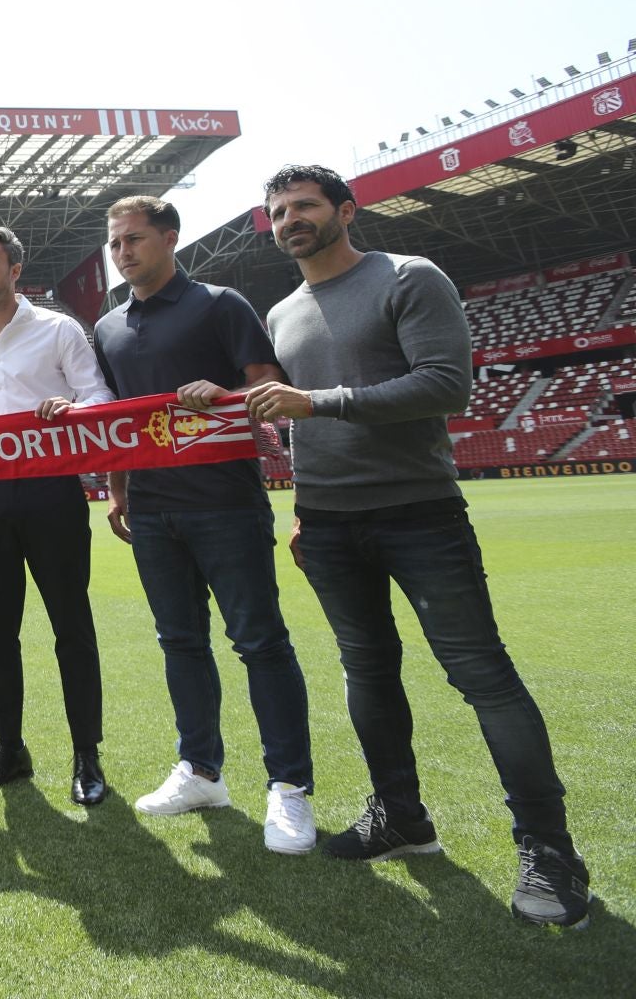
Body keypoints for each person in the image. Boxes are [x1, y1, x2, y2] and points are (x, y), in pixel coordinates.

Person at [248, 163, 593, 927]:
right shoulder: (282, 312)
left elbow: (446, 385)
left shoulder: (408, 276)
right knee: (366, 669)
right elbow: (299, 426)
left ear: (346, 210)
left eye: (304, 206)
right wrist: (303, 504)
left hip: (418, 512)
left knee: (481, 675)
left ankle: (551, 852)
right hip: (330, 522)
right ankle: (401, 816)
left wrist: (320, 402)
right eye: (277, 212)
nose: (290, 220)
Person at [90, 196, 315, 853]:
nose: (124, 252)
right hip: (153, 509)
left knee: (259, 641)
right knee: (179, 642)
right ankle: (201, 770)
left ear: (169, 237)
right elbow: (117, 421)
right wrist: (118, 492)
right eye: (115, 244)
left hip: (225, 500)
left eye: (135, 239)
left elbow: (269, 388)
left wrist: (221, 397)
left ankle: (289, 788)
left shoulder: (220, 304)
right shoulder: (108, 328)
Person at [0, 226, 112, 804]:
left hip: (51, 494)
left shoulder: (59, 328)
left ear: (16, 270)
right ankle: (10, 750)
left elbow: (100, 398)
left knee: (72, 626)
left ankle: (87, 757)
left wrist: (74, 406)